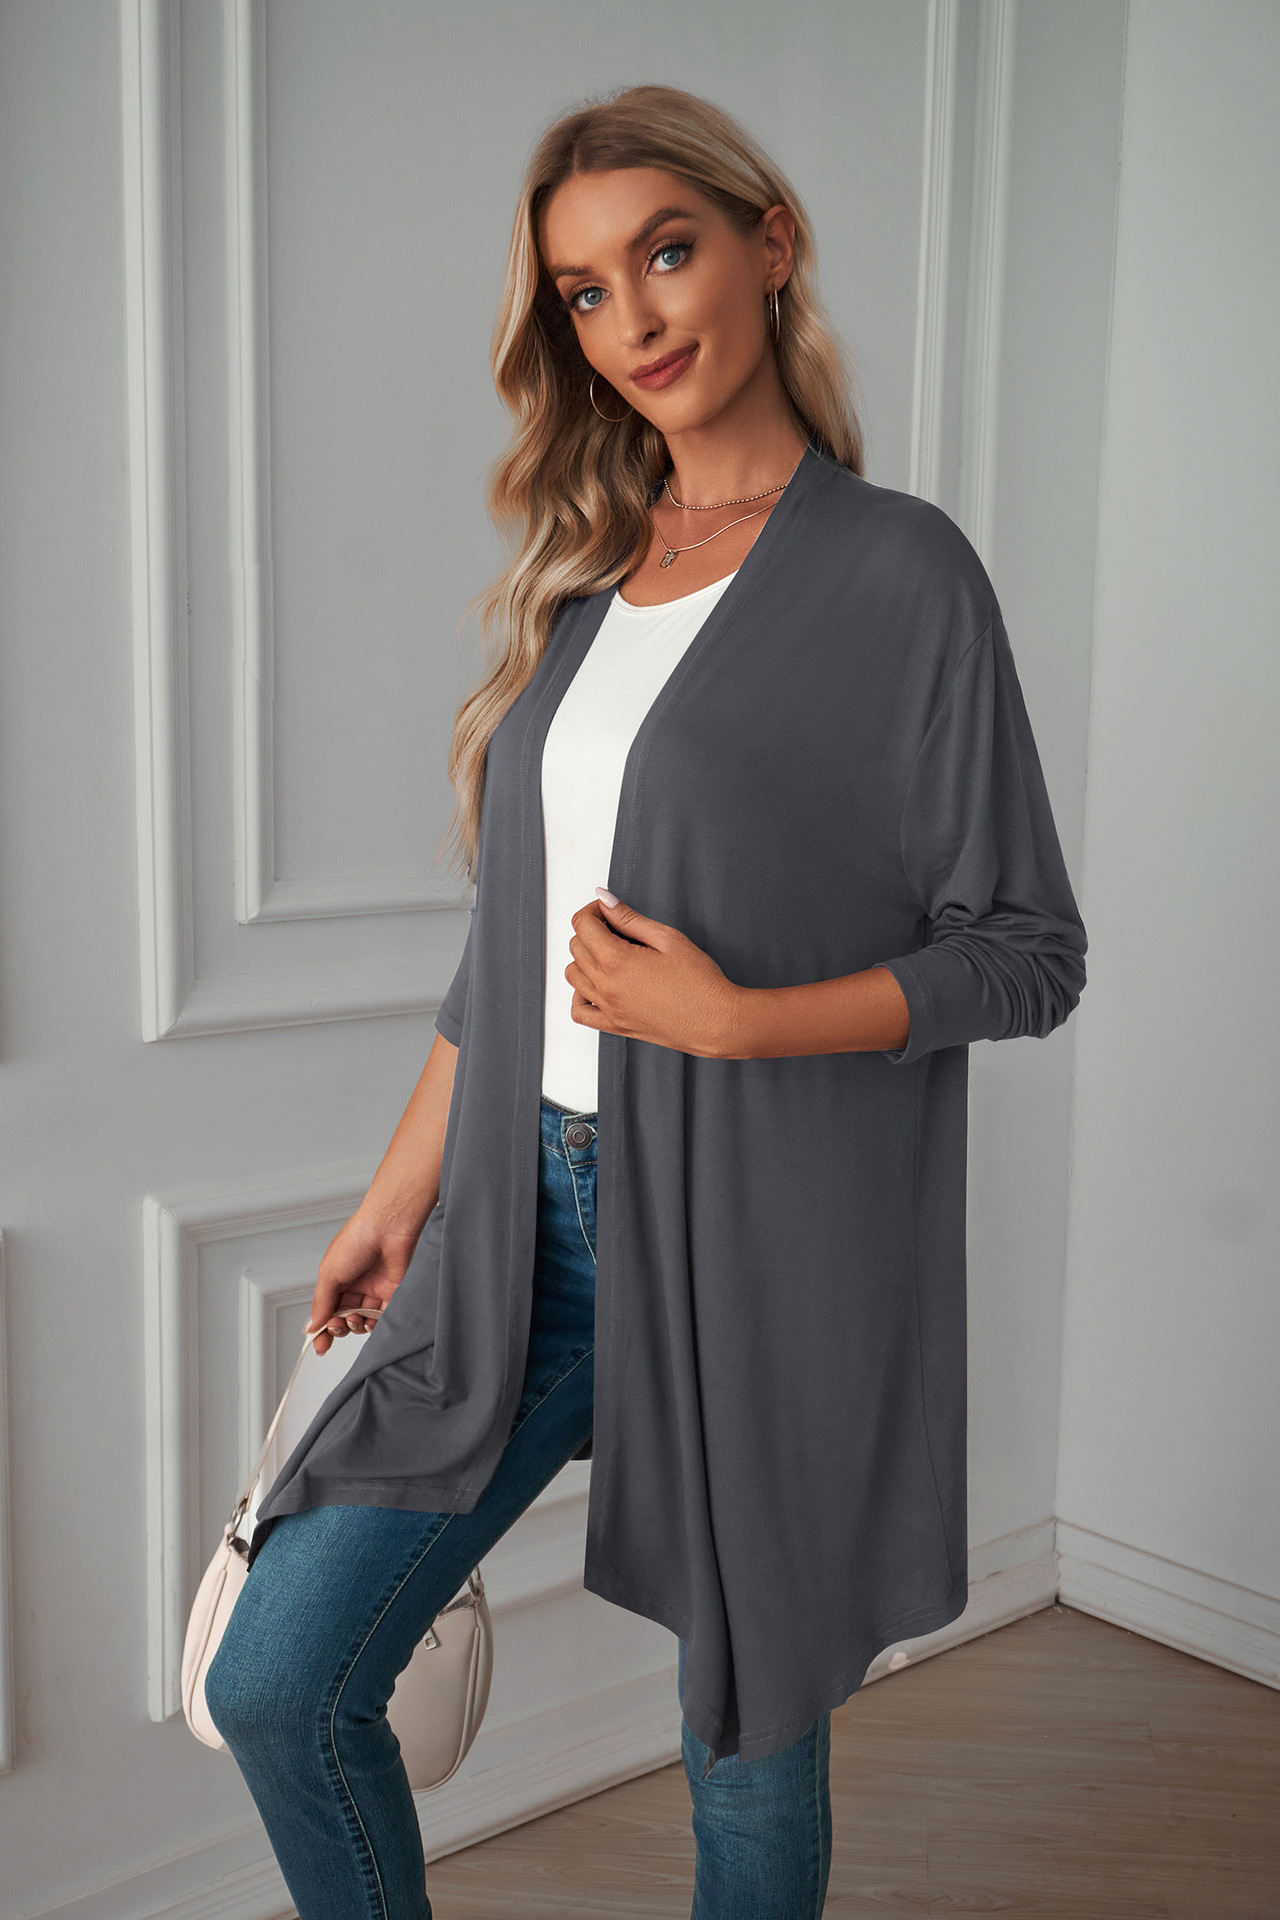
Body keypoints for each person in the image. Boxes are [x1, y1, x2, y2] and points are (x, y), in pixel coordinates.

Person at [205, 82, 1086, 1920]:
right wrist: (397, 1195)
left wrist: (745, 1021)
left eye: (666, 253)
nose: (636, 318)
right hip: (523, 1220)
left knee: (741, 1750)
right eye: (588, 292)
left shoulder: (900, 571)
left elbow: (1025, 948)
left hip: (759, 1231)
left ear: (773, 244)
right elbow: (506, 952)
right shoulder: (593, 588)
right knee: (280, 1682)